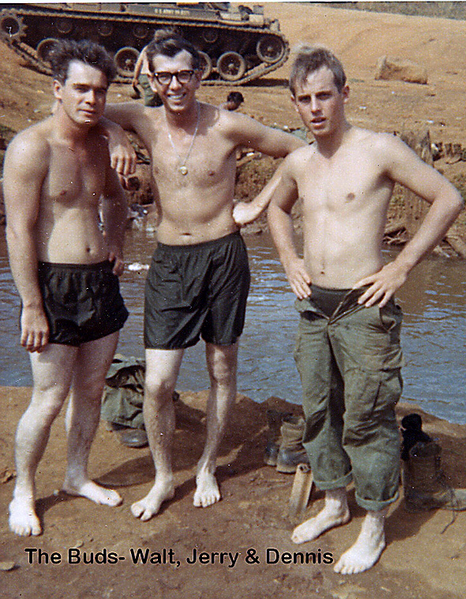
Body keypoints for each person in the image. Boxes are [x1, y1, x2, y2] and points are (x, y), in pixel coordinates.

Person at [267, 45, 464, 575]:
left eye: (324, 95)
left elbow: (447, 197)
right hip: (313, 308)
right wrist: (288, 259)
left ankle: (375, 522)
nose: (315, 108)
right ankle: (335, 502)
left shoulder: (380, 149)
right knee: (318, 409)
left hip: (363, 308)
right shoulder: (298, 161)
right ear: (294, 103)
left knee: (369, 416)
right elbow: (276, 208)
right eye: (304, 98)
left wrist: (401, 267)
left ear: (344, 94)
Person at [102, 31, 304, 521]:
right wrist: (114, 135)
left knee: (220, 370)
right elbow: (93, 110)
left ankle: (209, 466)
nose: (175, 85)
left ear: (200, 75)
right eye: (164, 75)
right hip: (171, 264)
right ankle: (164, 477)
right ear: (151, 77)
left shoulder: (228, 125)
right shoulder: (142, 119)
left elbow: (298, 150)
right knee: (157, 383)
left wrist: (256, 205)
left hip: (224, 258)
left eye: (184, 74)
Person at [3, 39, 129, 536]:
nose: (91, 99)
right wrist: (31, 305)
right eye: (80, 88)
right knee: (49, 397)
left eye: (99, 91)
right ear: (57, 89)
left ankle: (77, 475)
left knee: (93, 390)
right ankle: (23, 493)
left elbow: (118, 200)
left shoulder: (101, 143)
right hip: (52, 286)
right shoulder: (31, 147)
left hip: (99, 281)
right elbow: (17, 230)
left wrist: (116, 236)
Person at [131, 42, 163, 107]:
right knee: (151, 99)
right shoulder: (160, 48)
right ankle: (148, 114)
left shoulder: (147, 48)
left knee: (157, 99)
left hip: (144, 76)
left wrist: (135, 78)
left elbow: (138, 64)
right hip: (149, 76)